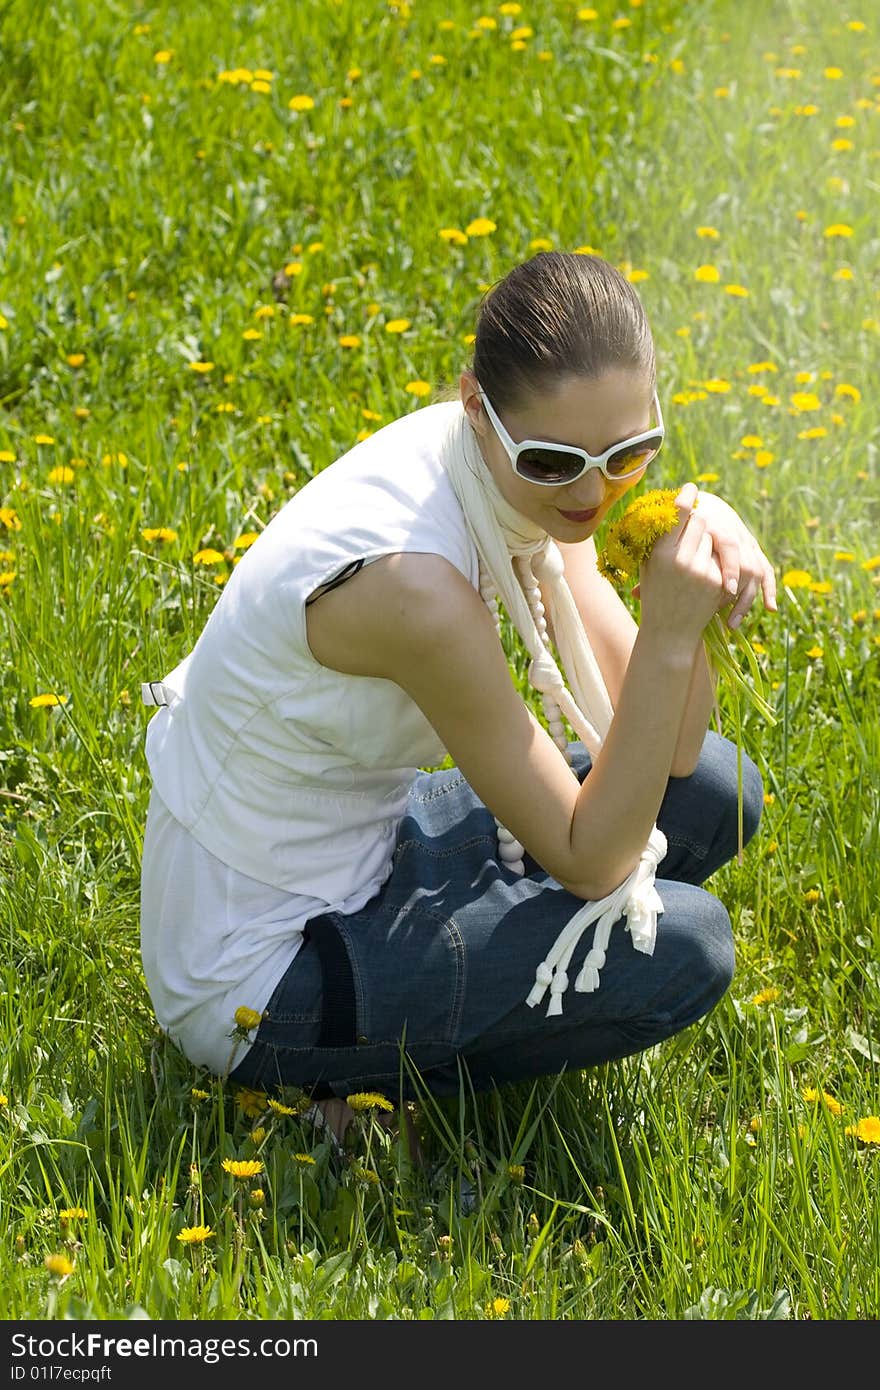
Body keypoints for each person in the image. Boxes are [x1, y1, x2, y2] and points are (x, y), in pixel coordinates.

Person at [139, 251, 776, 1144]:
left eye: (629, 453)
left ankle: (416, 1025)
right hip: (259, 971)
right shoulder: (417, 588)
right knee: (690, 948)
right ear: (478, 405)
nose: (595, 493)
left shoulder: (512, 477)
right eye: (558, 461)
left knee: (718, 788)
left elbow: (669, 751)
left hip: (364, 848)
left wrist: (693, 549)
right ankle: (341, 1090)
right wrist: (670, 633)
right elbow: (593, 859)